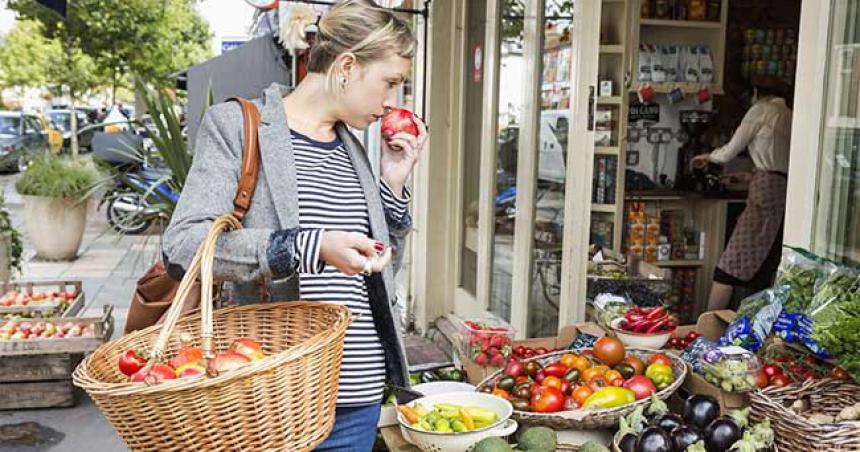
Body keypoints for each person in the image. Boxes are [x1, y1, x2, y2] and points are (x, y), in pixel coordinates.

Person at [161, 1, 426, 450]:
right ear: (347, 66)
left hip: (357, 396)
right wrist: (307, 246)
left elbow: (377, 263)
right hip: (272, 399)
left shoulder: (352, 146)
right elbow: (184, 246)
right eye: (391, 83)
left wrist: (393, 186)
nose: (392, 103)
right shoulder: (238, 127)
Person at [691, 76, 792, 311]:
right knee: (765, 264)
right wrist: (747, 176)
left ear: (755, 92)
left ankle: (708, 325)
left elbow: (729, 152)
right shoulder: (790, 114)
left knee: (729, 266)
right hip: (781, 192)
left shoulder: (761, 110)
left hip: (764, 194)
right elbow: (777, 165)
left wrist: (708, 157)